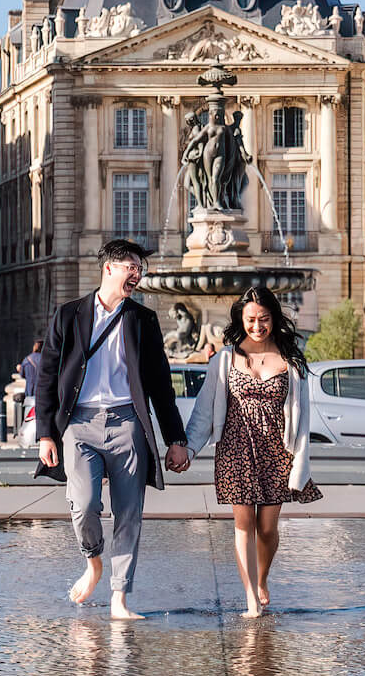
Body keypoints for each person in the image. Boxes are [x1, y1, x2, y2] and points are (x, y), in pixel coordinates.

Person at [34, 238, 189, 621]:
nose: (137, 274)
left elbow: (160, 385)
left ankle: (120, 598)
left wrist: (176, 439)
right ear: (108, 268)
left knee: (129, 512)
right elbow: (47, 376)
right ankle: (94, 562)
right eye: (130, 267)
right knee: (84, 504)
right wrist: (45, 434)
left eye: (140, 269)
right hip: (79, 424)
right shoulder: (69, 315)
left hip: (127, 423)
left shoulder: (143, 320)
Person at [185, 285, 320, 619]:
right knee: (243, 524)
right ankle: (250, 599)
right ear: (240, 319)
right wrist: (187, 447)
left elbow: (302, 419)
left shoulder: (291, 362)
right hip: (235, 449)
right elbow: (204, 411)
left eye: (263, 319)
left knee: (268, 528)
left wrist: (300, 460)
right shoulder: (224, 359)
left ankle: (262, 578)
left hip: (277, 451)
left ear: (273, 318)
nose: (257, 326)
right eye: (250, 319)